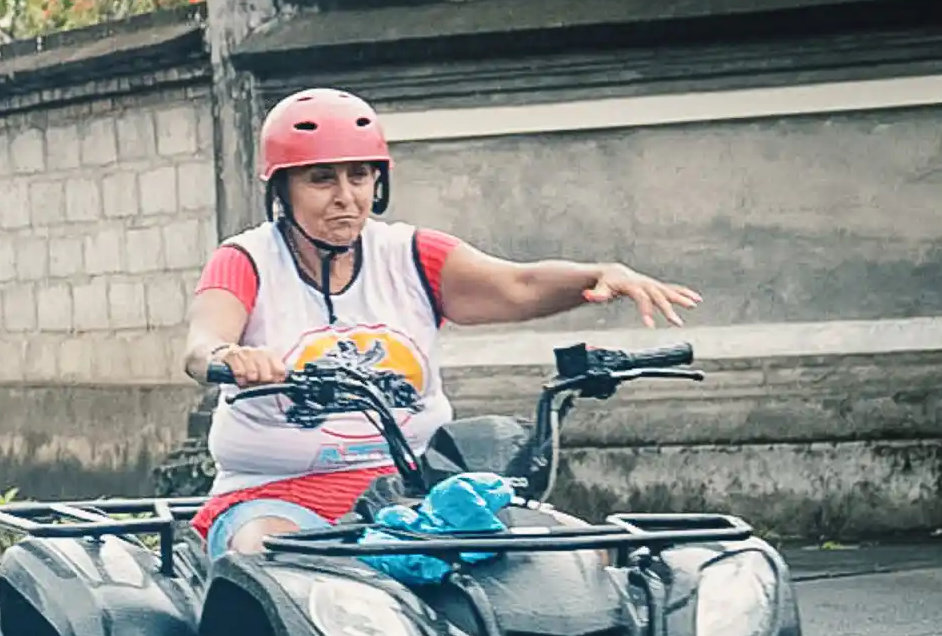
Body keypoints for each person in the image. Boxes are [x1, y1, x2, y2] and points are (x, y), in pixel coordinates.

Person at [183, 87, 702, 558]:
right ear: (283, 189)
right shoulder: (246, 260)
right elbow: (202, 343)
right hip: (276, 494)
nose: (346, 196)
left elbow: (516, 285)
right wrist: (231, 356)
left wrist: (599, 274)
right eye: (322, 178)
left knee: (581, 555)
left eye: (359, 175)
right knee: (274, 559)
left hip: (419, 490)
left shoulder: (408, 254)